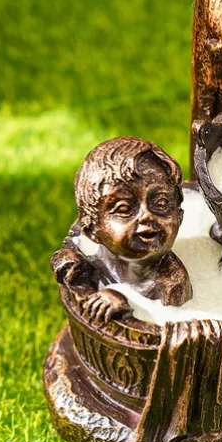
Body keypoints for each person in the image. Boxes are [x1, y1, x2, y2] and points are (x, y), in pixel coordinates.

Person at [51, 137, 192, 324]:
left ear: (179, 217)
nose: (147, 215)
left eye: (161, 203)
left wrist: (125, 305)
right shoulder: (93, 252)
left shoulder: (170, 282)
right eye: (124, 208)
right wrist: (67, 259)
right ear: (91, 229)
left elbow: (163, 327)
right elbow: (68, 249)